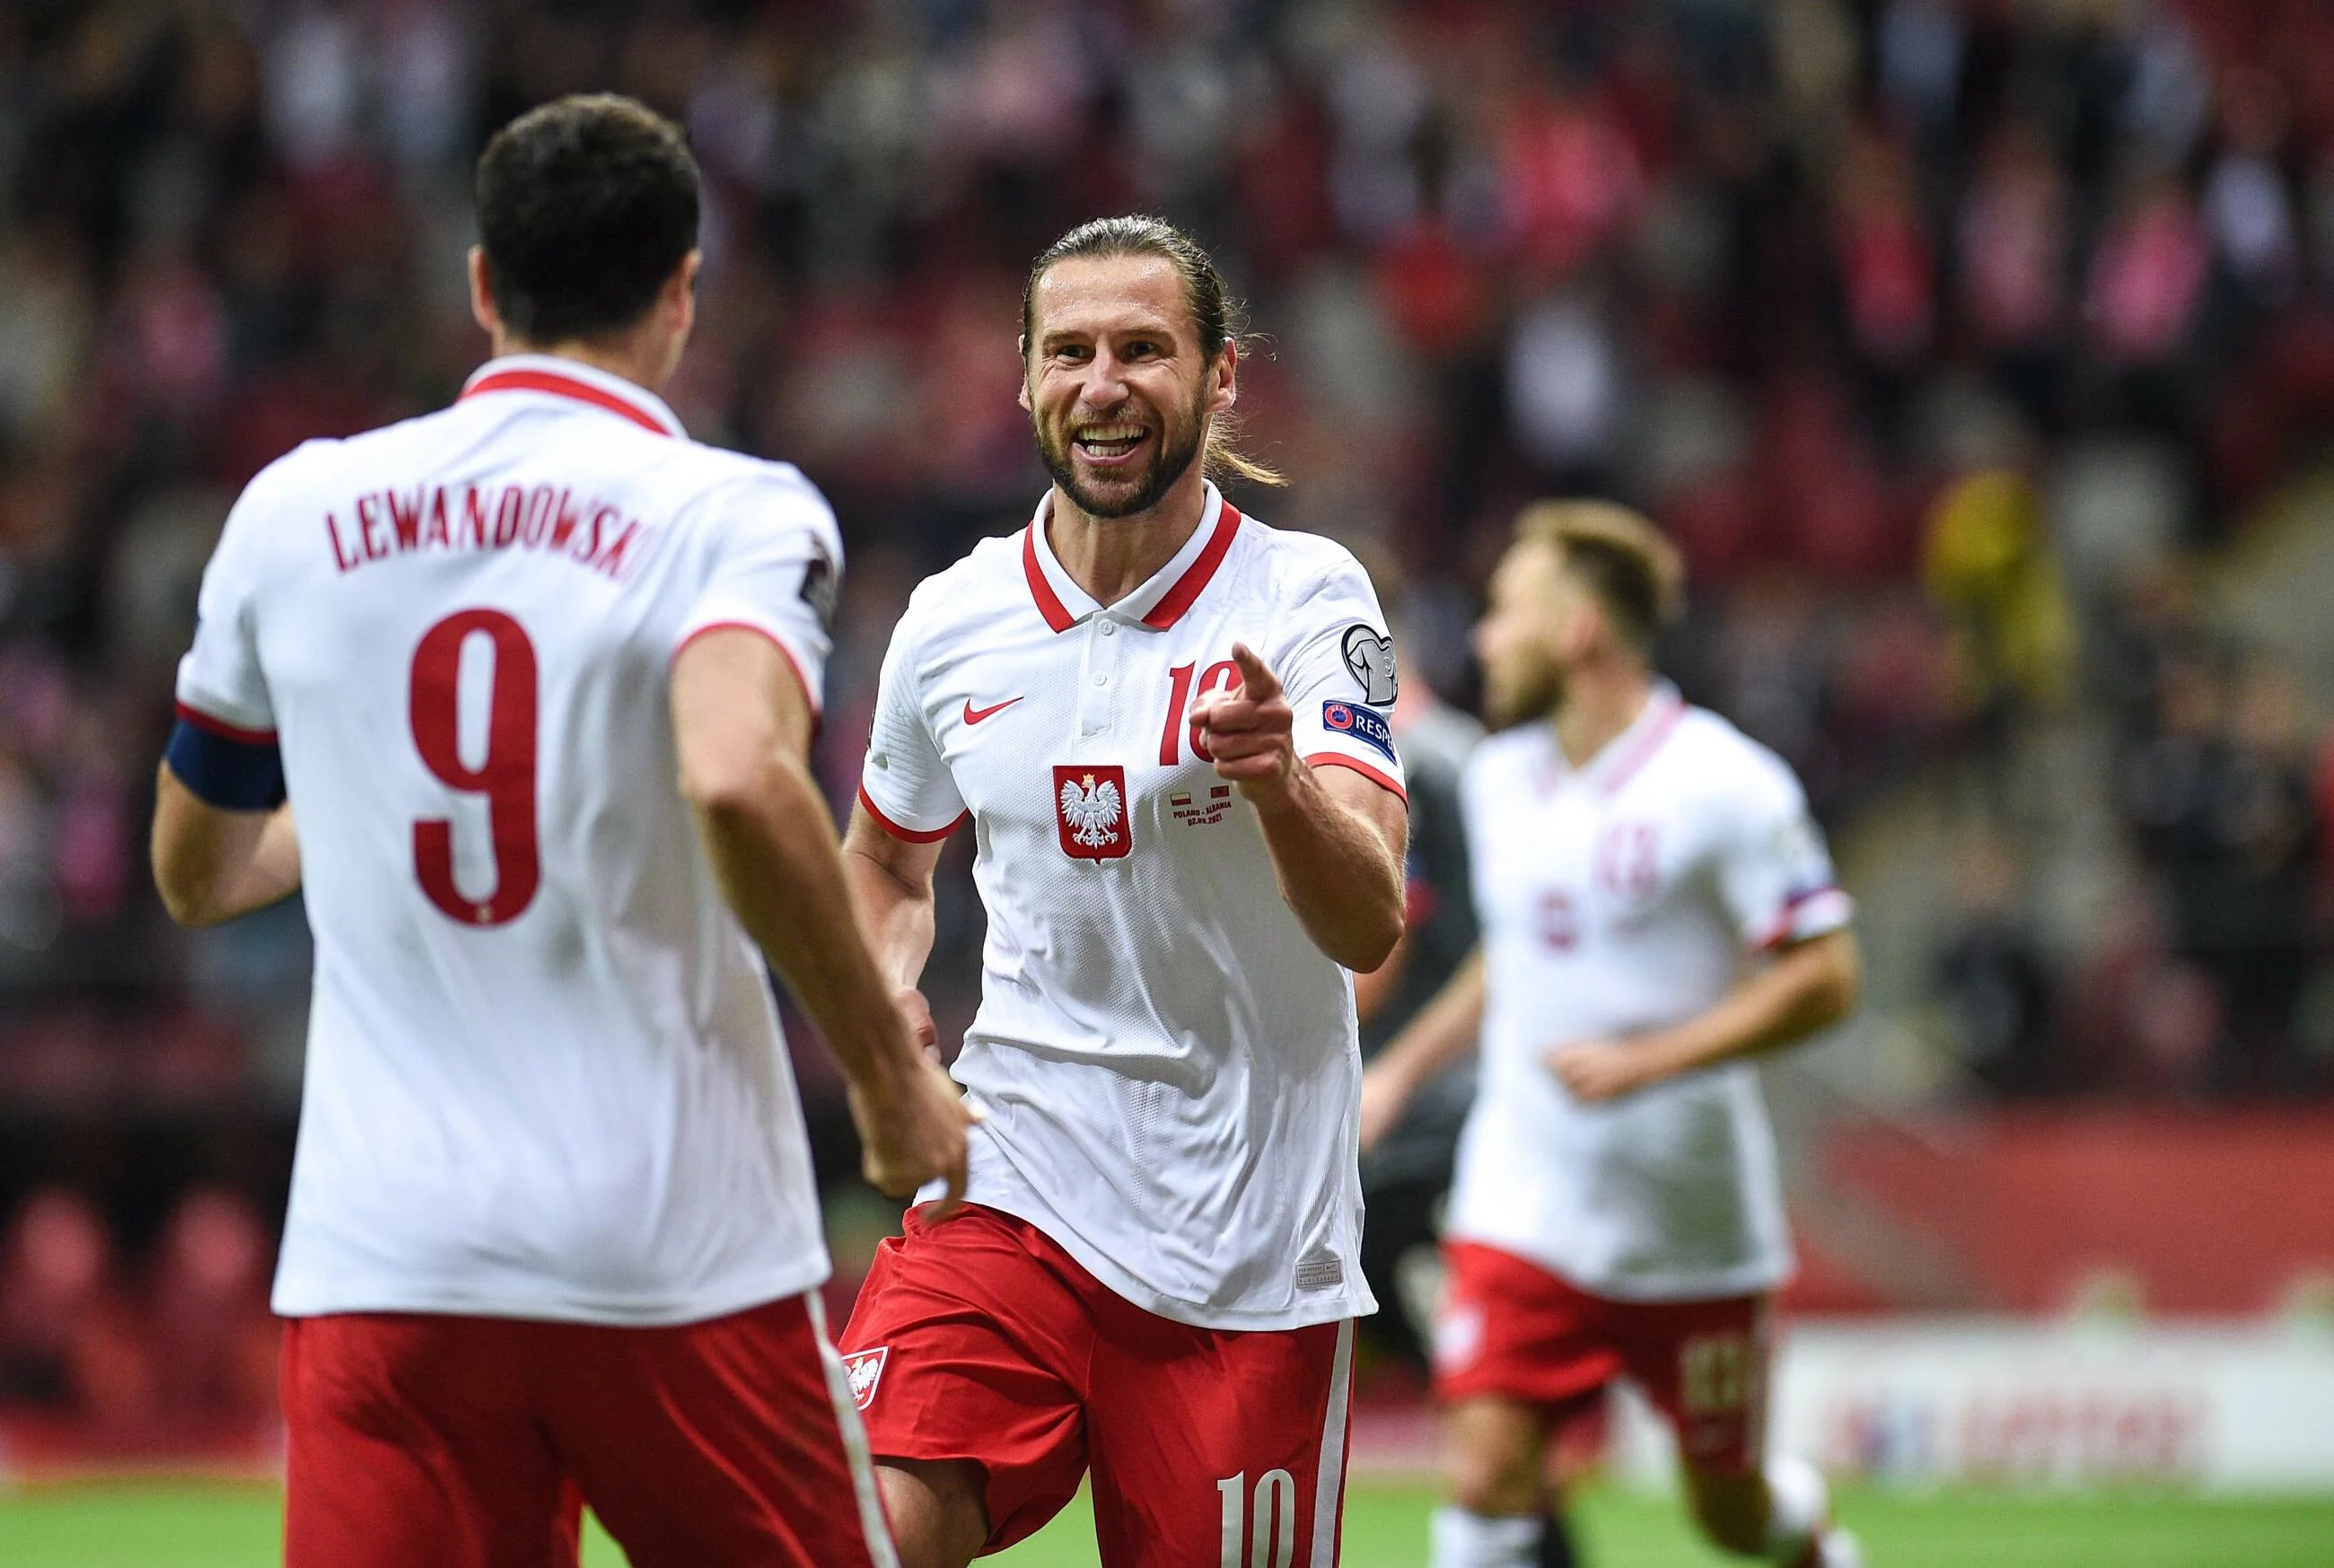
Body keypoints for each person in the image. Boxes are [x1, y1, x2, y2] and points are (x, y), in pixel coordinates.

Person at [148, 94, 970, 1568]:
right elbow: (732, 771)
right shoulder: (729, 512)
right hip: (669, 1256)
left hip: (385, 1263)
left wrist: (362, 809)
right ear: (683, 289)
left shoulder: (293, 508)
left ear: (479, 285)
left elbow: (195, 870)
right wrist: (885, 1078)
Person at [837, 215, 1410, 1568]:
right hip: (1014, 1173)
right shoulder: (950, 618)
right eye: (1073, 349)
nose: (1106, 382)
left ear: (1218, 378)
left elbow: (1368, 914)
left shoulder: (1306, 597)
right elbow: (882, 861)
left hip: (1245, 1234)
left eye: (1145, 349)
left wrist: (1281, 785)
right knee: (851, 1522)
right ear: (1025, 375)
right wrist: (883, 998)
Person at [1360, 502, 1865, 1568]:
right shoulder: (1502, 780)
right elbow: (1516, 954)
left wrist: (1652, 1058)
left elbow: (1825, 975)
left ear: (1578, 628)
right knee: (1487, 1473)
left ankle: (1814, 1541)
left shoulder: (1724, 784)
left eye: (1505, 612)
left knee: (1727, 1510)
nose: (1485, 638)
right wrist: (1400, 1070)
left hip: (1688, 1220)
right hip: (1523, 1202)